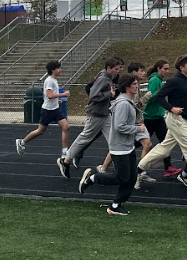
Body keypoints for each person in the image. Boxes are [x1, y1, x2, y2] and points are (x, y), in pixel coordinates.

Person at [136, 55, 187, 201]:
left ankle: (139, 169)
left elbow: (184, 96)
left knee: (164, 149)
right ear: (182, 67)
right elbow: (159, 97)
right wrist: (171, 108)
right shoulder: (174, 81)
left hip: (183, 119)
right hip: (176, 119)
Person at [78, 74, 145, 215]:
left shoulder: (127, 102)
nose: (137, 86)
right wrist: (138, 129)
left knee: (131, 178)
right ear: (127, 86)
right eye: (134, 84)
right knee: (121, 178)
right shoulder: (123, 104)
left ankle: (115, 205)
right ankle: (93, 177)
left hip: (127, 146)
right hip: (119, 148)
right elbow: (119, 126)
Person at [57, 58, 121, 179]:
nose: (118, 71)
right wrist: (109, 94)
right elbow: (93, 95)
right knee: (85, 138)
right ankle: (66, 159)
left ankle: (114, 168)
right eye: (116, 69)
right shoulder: (103, 78)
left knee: (114, 140)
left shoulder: (108, 78)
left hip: (105, 114)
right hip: (96, 114)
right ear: (109, 68)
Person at [96, 62, 156, 187]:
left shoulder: (130, 94)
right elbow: (122, 123)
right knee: (121, 177)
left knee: (144, 146)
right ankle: (95, 177)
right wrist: (146, 98)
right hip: (133, 126)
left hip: (134, 126)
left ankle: (139, 173)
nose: (143, 73)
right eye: (141, 70)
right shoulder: (124, 100)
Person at [16, 60, 71, 156]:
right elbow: (49, 95)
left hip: (55, 109)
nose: (60, 70)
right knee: (40, 131)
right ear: (53, 70)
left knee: (66, 126)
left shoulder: (54, 80)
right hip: (47, 111)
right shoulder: (49, 80)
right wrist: (63, 94)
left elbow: (47, 95)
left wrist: (57, 100)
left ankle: (64, 151)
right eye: (58, 68)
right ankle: (22, 142)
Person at [143, 59, 181, 178]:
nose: (167, 71)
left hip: (157, 116)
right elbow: (154, 97)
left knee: (164, 142)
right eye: (165, 69)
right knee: (141, 142)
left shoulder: (158, 80)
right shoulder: (155, 80)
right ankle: (121, 156)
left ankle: (168, 167)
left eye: (168, 69)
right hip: (151, 116)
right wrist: (164, 95)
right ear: (158, 69)